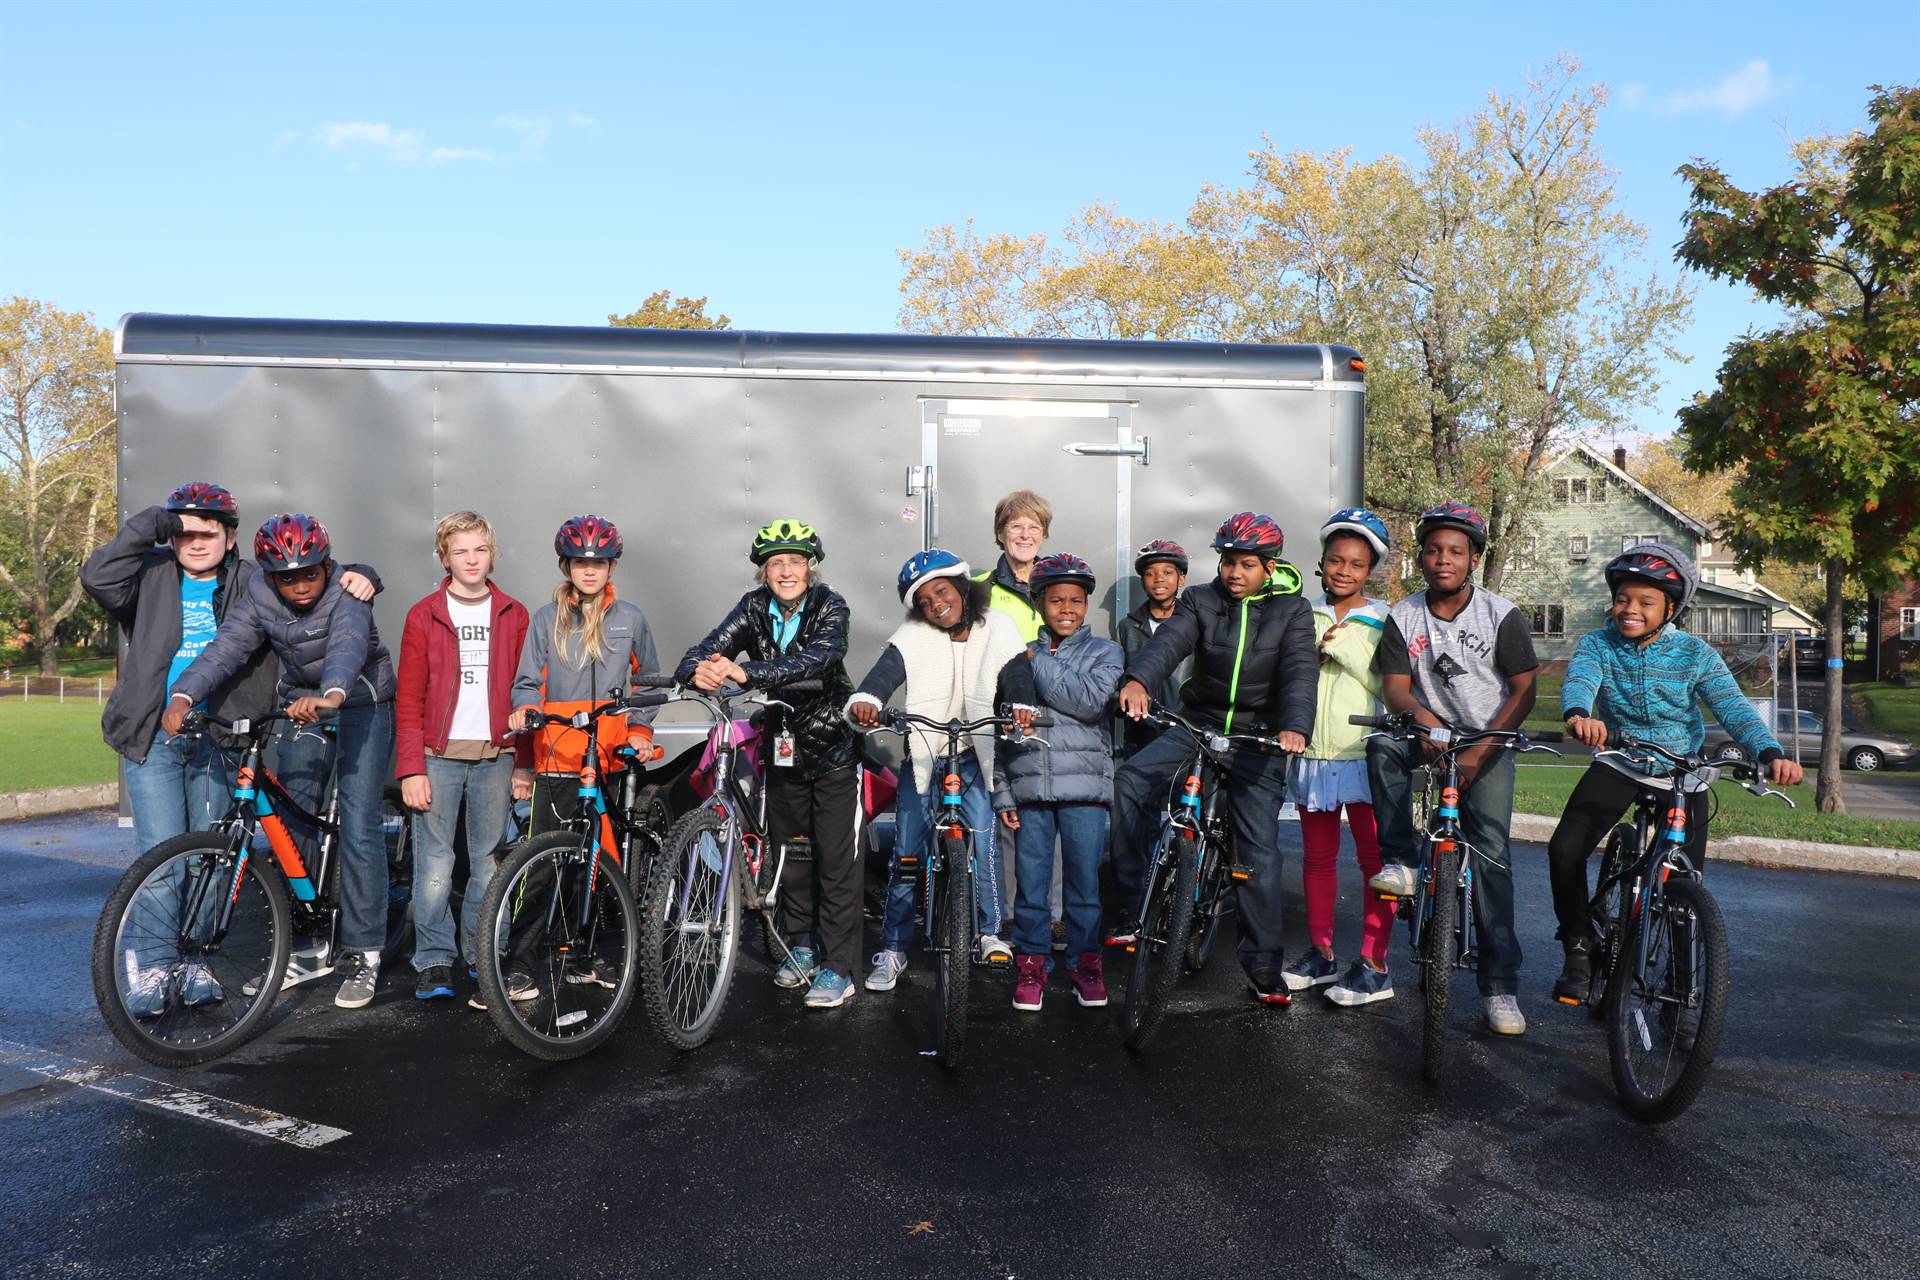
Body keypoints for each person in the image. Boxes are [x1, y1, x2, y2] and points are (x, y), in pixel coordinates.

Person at [1548, 543, 1802, 1003]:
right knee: (1564, 847)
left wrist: (1769, 751)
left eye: (1646, 602)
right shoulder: (1597, 644)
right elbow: (1580, 680)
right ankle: (1579, 943)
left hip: (1683, 773)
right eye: (1624, 599)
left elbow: (1732, 708)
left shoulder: (1695, 654)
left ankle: (1682, 988)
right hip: (1621, 761)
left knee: (1686, 888)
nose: (1631, 610)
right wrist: (1579, 714)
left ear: (1670, 608)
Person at [162, 513, 396, 1010]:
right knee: (292, 821)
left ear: (327, 566)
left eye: (309, 573)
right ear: (269, 577)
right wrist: (183, 697)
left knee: (358, 824)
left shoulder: (348, 592)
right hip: (300, 703)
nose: (300, 585)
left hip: (360, 700)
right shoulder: (259, 599)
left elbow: (349, 647)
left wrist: (332, 693)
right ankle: (309, 946)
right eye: (287, 577)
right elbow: (225, 649)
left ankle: (363, 953)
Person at [81, 482, 375, 853]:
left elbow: (307, 577)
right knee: (159, 860)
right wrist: (157, 521)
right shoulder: (148, 575)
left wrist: (363, 574)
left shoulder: (255, 582)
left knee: (213, 857)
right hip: (154, 735)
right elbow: (96, 576)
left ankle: (211, 915)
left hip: (221, 736)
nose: (197, 543)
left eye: (209, 533)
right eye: (184, 534)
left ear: (230, 538)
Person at [1113, 512, 1316, 1004]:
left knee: (1258, 854)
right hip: (1198, 724)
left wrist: (1294, 725)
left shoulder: (1293, 610)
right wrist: (1137, 680)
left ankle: (1264, 967)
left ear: (1269, 567)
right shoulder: (1200, 600)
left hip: (1261, 738)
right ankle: (1128, 907)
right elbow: (1168, 645)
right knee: (1130, 782)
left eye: (1247, 564)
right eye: (1228, 562)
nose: (1234, 573)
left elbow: (1298, 672)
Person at [674, 519, 862, 1010]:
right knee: (792, 854)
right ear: (764, 572)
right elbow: (705, 648)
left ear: (809, 568)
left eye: (794, 562)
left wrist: (746, 670)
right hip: (781, 748)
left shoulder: (830, 605)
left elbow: (820, 658)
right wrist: (700, 668)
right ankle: (799, 944)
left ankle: (839, 967)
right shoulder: (753, 608)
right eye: (775, 563)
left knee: (836, 863)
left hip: (832, 750)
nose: (785, 571)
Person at [1365, 502, 1538, 1036]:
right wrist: (1427, 725)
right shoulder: (1404, 615)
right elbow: (1395, 685)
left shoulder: (1500, 614)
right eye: (1435, 549)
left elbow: (1524, 687)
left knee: (1490, 856)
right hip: (1430, 733)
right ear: (1421, 557)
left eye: (1457, 552)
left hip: (1488, 740)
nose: (1444, 559)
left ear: (1475, 559)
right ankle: (1403, 862)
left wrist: (1477, 753)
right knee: (1381, 746)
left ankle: (1500, 988)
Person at [846, 548, 1036, 991]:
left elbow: (1016, 675)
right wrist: (868, 700)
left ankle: (990, 934)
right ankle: (893, 948)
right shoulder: (913, 634)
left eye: (941, 591)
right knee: (907, 853)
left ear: (962, 586)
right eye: (925, 601)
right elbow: (883, 673)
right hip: (925, 751)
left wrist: (1022, 706)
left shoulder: (998, 628)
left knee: (985, 840)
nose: (935, 604)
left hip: (973, 750)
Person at [505, 515, 660, 995]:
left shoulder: (630, 618)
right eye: (580, 563)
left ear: (612, 566)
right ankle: (521, 963)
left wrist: (637, 729)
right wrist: (525, 711)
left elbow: (649, 682)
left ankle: (590, 956)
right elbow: (527, 683)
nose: (589, 571)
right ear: (566, 566)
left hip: (608, 759)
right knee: (545, 865)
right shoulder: (544, 619)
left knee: (603, 862)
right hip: (557, 758)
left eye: (598, 563)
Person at [394, 511, 534, 1006]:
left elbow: (527, 696)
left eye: (479, 550)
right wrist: (411, 766)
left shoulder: (515, 614)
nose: (471, 560)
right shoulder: (424, 614)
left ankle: (483, 953)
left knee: (490, 861)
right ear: (444, 557)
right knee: (434, 861)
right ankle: (434, 957)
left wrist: (523, 762)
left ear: (492, 553)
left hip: (496, 755)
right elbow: (408, 698)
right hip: (437, 756)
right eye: (460, 551)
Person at [995, 554, 1123, 1012]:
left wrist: (1035, 661)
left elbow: (1089, 702)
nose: (1066, 609)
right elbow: (1002, 727)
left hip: (1085, 791)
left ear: (1086, 605)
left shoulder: (1106, 652)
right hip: (1028, 790)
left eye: (1076, 600)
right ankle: (1031, 966)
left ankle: (1087, 966)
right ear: (1039, 603)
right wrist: (1003, 790)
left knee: (1084, 887)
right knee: (1030, 888)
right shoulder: (1017, 658)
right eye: (1055, 601)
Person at [1281, 508, 1396, 1006]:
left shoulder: (1385, 619)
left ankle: (1375, 963)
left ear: (1369, 570)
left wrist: (1346, 651)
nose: (1344, 571)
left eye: (1355, 563)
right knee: (1318, 858)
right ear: (1323, 564)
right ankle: (1322, 953)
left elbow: (1390, 689)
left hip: (1364, 754)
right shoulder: (1302, 615)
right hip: (1314, 752)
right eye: (1335, 561)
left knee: (1376, 862)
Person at [1115, 539, 1190, 761]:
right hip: (1141, 734)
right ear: (1142, 581)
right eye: (1150, 573)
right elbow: (1122, 673)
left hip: (1184, 731)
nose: (1159, 579)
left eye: (1167, 572)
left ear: (1181, 578)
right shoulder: (1128, 626)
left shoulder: (1193, 624)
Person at [973, 489, 1051, 644]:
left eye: (1034, 527)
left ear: (1043, 535)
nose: (1025, 535)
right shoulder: (977, 588)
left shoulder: (1057, 585)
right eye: (1016, 526)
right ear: (1001, 534)